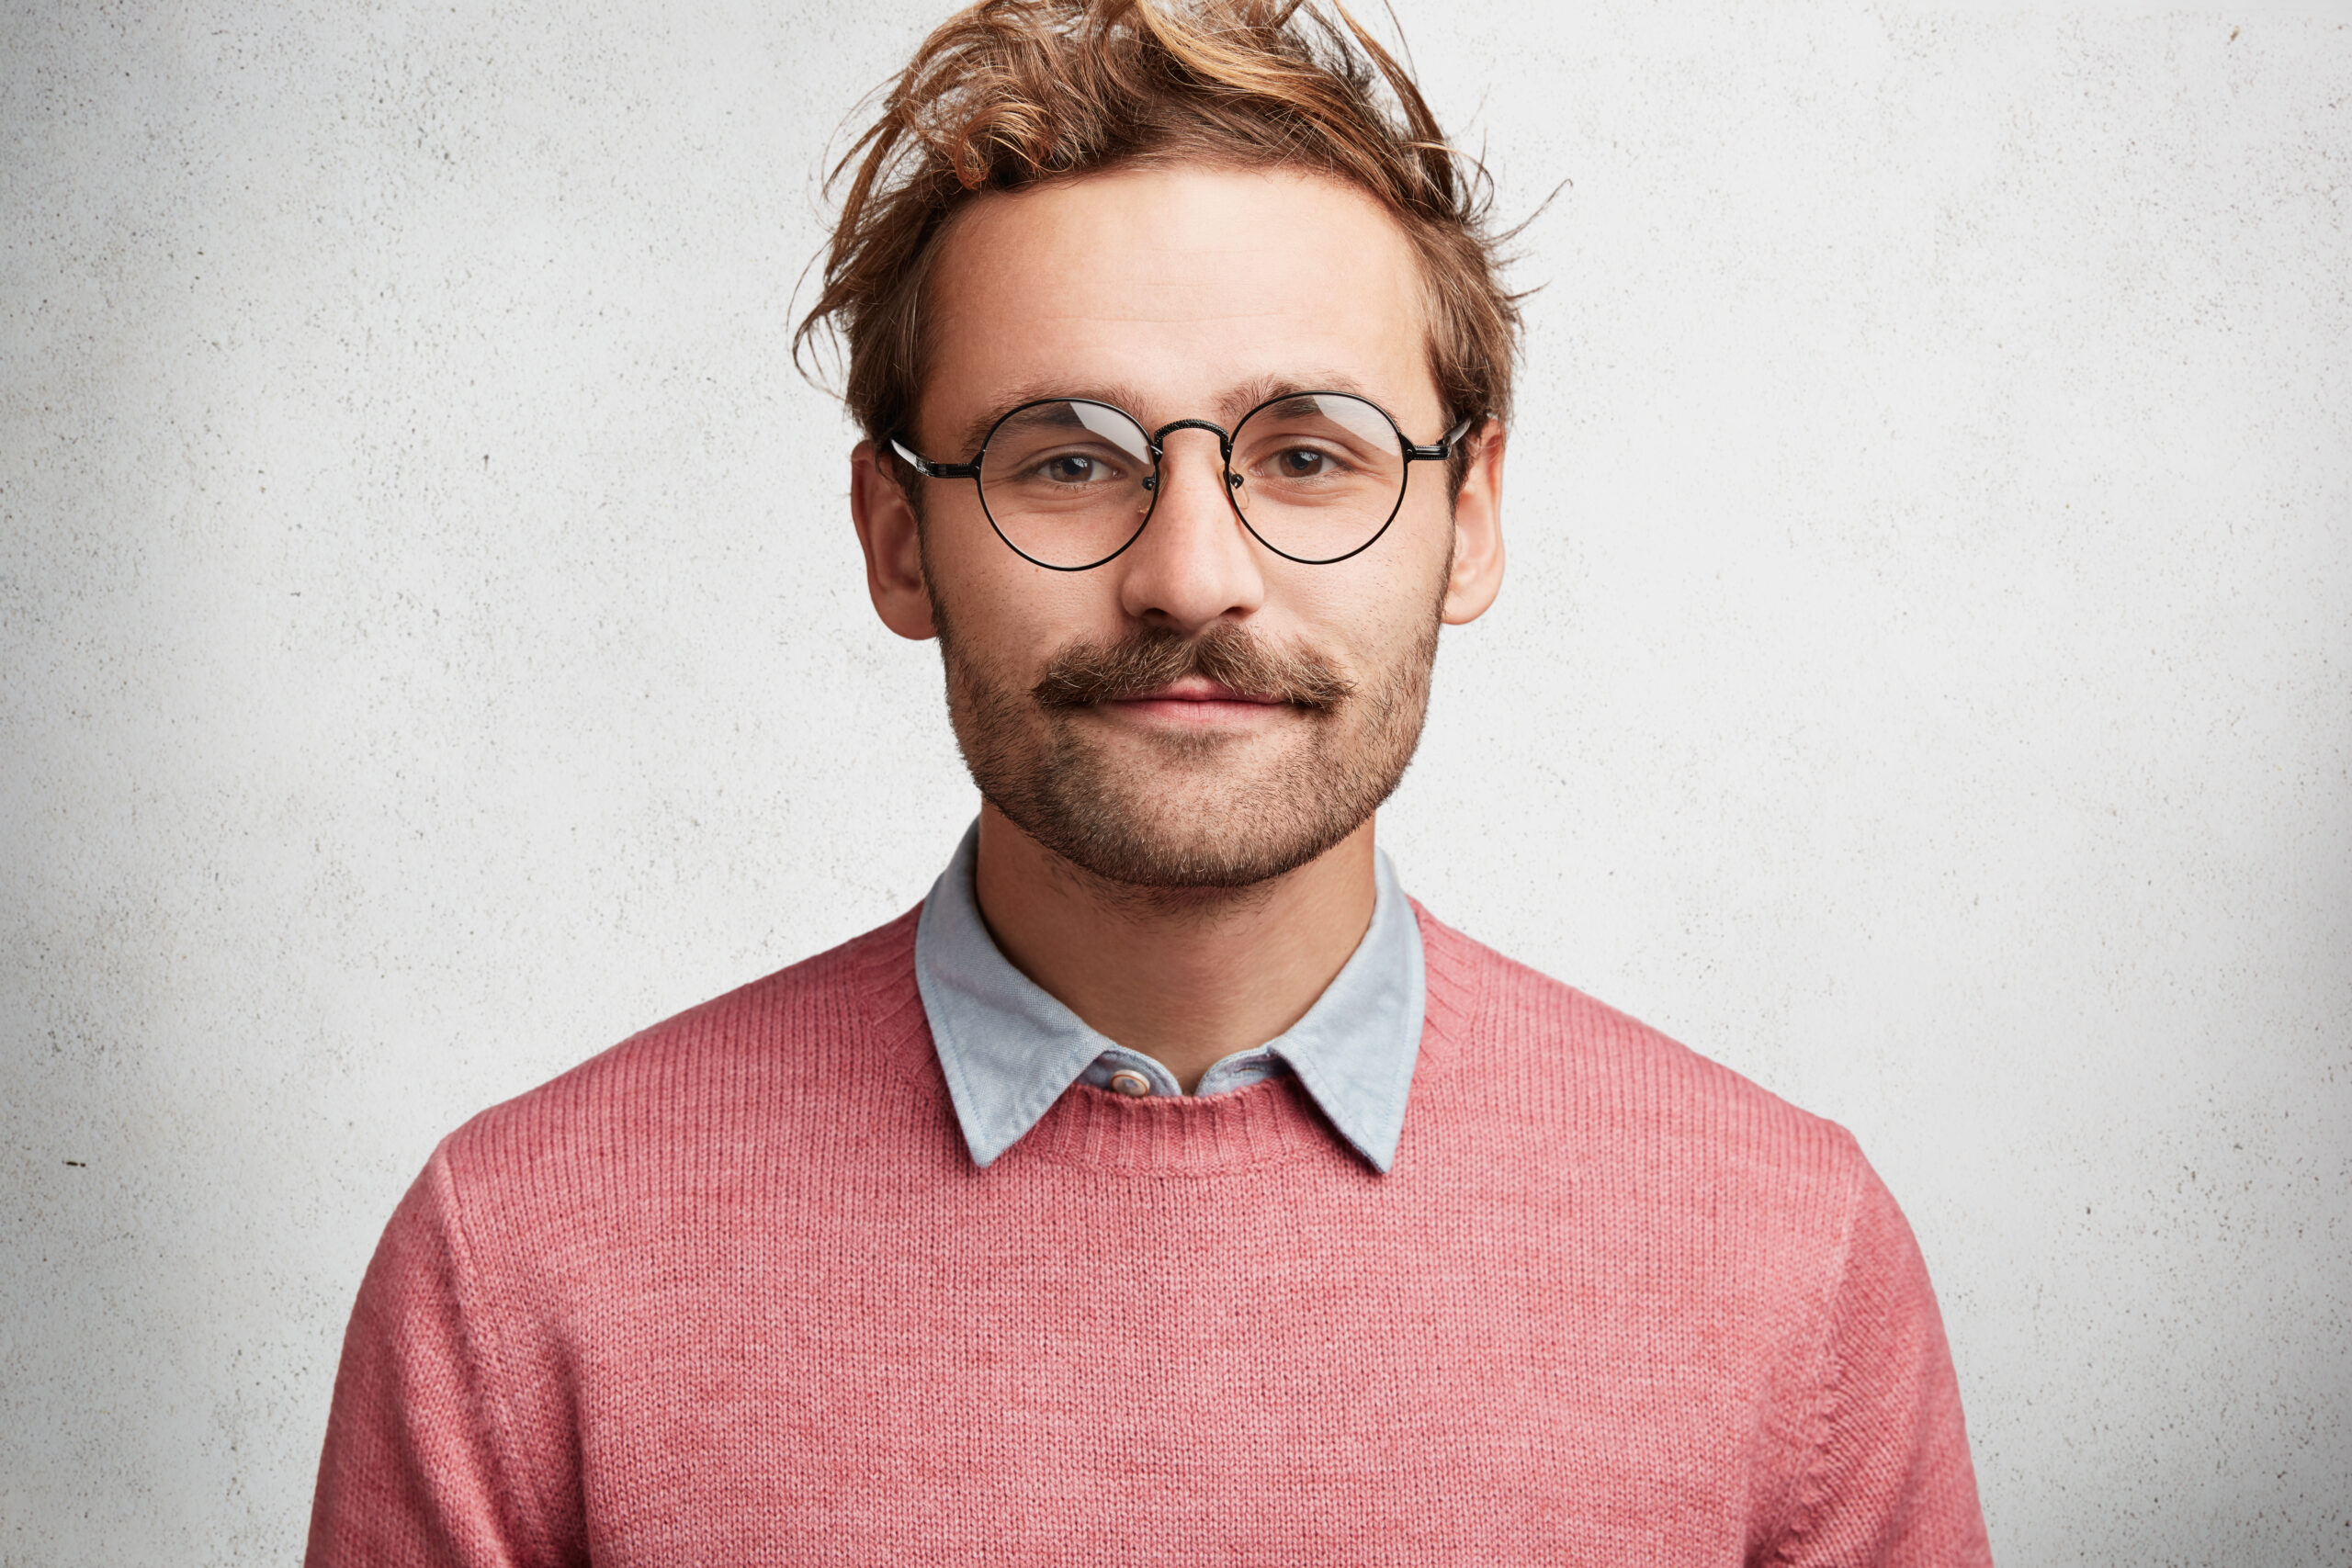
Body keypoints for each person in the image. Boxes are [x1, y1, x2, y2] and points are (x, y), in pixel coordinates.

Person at [306, 2, 1992, 1562]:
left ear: (1469, 518)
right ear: (898, 540)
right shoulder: (520, 1266)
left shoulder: (1789, 1260)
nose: (1192, 574)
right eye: (1064, 460)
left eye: (1309, 454)